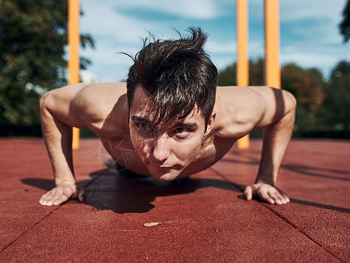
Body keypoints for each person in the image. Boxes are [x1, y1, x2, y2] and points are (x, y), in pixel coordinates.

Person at [39, 27, 296, 207]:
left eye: (181, 130)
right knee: (115, 159)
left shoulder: (239, 113)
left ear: (210, 121)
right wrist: (64, 180)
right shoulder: (101, 108)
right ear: (129, 112)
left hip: (187, 171)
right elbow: (49, 103)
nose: (158, 154)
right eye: (143, 126)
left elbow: (287, 104)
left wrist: (266, 178)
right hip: (126, 163)